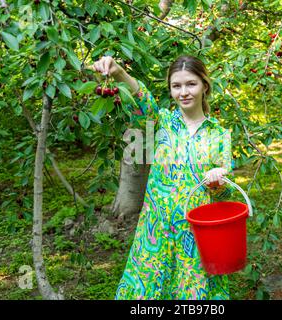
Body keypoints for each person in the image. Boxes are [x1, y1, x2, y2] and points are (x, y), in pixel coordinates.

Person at [93, 54, 234, 300]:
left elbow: (227, 199)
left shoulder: (219, 135)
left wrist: (219, 183)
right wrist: (118, 73)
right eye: (176, 86)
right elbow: (141, 101)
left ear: (205, 85)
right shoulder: (161, 123)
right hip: (155, 235)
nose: (184, 92)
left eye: (191, 84)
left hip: (195, 240)